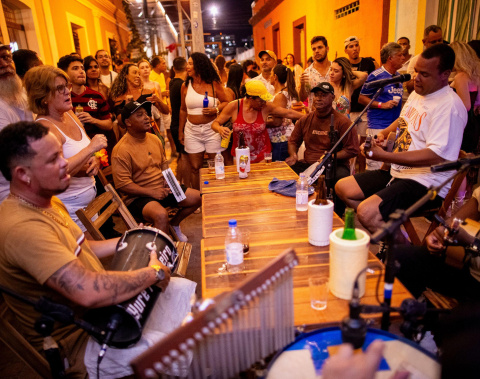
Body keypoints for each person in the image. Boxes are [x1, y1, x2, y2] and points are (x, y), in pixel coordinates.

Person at [0, 121, 195, 378]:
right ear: (23, 174)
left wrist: (131, 237)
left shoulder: (47, 201)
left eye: (61, 153)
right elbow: (90, 292)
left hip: (101, 316)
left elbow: (80, 245)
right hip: (81, 342)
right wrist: (153, 273)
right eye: (53, 159)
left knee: (184, 296)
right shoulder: (21, 227)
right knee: (181, 348)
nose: (65, 162)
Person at [335, 44, 468, 245]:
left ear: (445, 74)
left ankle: (406, 255)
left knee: (367, 212)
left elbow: (436, 155)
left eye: (424, 74)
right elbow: (404, 119)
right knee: (343, 187)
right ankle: (391, 232)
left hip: (425, 182)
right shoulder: (418, 92)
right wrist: (383, 134)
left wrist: (384, 156)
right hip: (398, 171)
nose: (416, 78)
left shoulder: (449, 107)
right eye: (415, 71)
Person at [24, 65, 107, 233]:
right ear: (43, 97)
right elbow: (59, 170)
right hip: (69, 207)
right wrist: (92, 148)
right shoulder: (44, 128)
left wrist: (96, 158)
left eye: (66, 86)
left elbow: (88, 146)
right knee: (87, 256)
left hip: (89, 199)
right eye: (59, 88)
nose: (67, 91)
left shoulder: (69, 114)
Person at [112, 101, 201, 241]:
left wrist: (171, 182)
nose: (147, 117)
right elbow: (123, 185)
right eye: (140, 115)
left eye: (146, 114)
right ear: (128, 122)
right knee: (160, 215)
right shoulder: (121, 149)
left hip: (163, 189)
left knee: (197, 197)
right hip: (138, 197)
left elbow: (164, 166)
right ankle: (161, 255)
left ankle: (174, 224)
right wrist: (152, 192)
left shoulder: (154, 139)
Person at [287, 82, 359, 215]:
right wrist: (293, 156)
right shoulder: (305, 119)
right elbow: (293, 141)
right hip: (309, 164)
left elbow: (353, 149)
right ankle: (296, 209)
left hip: (335, 164)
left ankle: (337, 214)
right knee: (287, 173)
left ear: (332, 98)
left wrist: (330, 157)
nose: (319, 98)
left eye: (323, 95)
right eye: (316, 95)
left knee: (340, 180)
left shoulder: (342, 122)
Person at [212, 80, 304, 164]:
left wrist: (309, 116)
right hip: (240, 154)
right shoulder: (234, 106)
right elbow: (215, 124)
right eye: (261, 100)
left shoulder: (265, 107)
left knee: (263, 180)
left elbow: (288, 113)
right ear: (251, 98)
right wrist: (220, 129)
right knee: (243, 180)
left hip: (263, 155)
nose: (264, 102)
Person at [178, 52, 230, 190]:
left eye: (190, 64)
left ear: (199, 65)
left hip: (212, 129)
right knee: (195, 168)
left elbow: (226, 102)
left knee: (216, 165)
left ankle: (217, 194)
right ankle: (198, 199)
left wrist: (215, 110)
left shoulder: (214, 84)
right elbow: (183, 110)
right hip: (192, 131)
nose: (187, 67)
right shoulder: (185, 86)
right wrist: (180, 131)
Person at [57, 54, 116, 160]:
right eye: (75, 68)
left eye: (82, 68)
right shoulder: (61, 99)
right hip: (73, 152)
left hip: (98, 151)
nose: (81, 71)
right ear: (64, 74)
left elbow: (109, 125)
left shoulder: (96, 96)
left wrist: (93, 120)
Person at [359, 42, 404, 170]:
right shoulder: (376, 76)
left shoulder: (399, 76)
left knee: (391, 166)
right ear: (390, 58)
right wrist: (381, 105)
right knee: (376, 166)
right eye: (399, 55)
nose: (403, 58)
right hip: (378, 127)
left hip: (394, 128)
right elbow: (361, 98)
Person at [0, 43, 35, 203]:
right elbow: (12, 150)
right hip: (9, 193)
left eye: (6, 57)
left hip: (31, 185)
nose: (4, 64)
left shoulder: (20, 94)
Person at [344, 36, 377, 172]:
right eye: (351, 46)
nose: (355, 48)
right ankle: (351, 173)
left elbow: (376, 80)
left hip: (365, 110)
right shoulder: (343, 65)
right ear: (345, 50)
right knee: (351, 145)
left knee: (364, 144)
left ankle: (362, 172)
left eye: (356, 45)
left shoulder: (369, 63)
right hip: (349, 111)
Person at [139, 58, 178, 158]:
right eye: (142, 68)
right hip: (144, 115)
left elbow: (159, 101)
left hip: (156, 114)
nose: (145, 70)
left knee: (159, 138)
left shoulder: (155, 84)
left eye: (147, 67)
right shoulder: (138, 86)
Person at [449, 41, 480, 154]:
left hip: (462, 125)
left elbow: (465, 106)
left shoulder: (460, 77)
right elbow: (477, 102)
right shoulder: (474, 74)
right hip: (472, 123)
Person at [269, 64, 300, 161]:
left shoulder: (280, 96)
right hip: (281, 139)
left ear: (275, 77)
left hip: (281, 140)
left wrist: (258, 123)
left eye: (271, 74)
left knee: (280, 172)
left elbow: (277, 121)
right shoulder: (282, 93)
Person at [170, 57, 192, 187]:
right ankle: (185, 186)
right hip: (181, 124)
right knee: (185, 158)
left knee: (182, 157)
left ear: (173, 69)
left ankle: (177, 184)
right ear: (186, 68)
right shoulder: (182, 85)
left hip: (175, 123)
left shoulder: (173, 82)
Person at [406, 25, 445, 93]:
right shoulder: (416, 60)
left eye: (440, 40)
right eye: (434, 42)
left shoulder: (447, 59)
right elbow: (409, 87)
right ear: (424, 42)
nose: (438, 44)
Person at [299, 36, 332, 110]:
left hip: (335, 117)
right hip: (316, 118)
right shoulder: (308, 72)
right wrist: (302, 86)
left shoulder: (335, 69)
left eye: (320, 47)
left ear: (327, 48)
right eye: (314, 49)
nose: (317, 51)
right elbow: (302, 98)